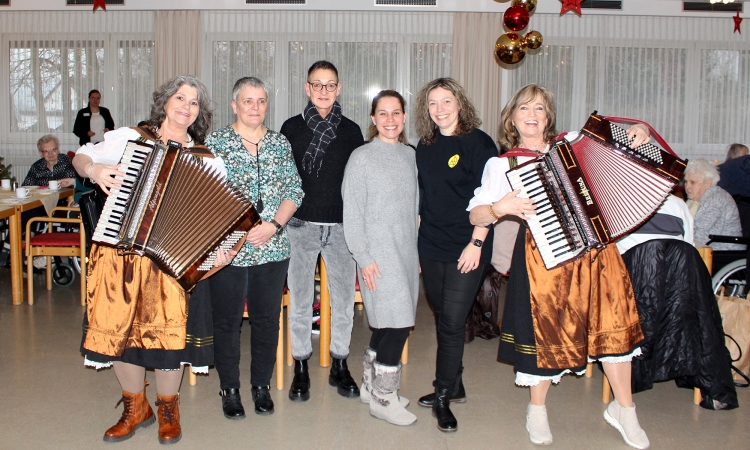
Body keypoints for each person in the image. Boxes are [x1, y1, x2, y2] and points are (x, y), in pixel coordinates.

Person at [468, 83, 652, 449]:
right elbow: (477, 212)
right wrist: (500, 208)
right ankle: (537, 410)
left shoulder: (570, 144)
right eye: (524, 109)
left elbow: (628, 135)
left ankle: (625, 409)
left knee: (612, 323)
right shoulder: (503, 164)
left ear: (548, 116)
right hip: (543, 256)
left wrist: (641, 130)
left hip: (597, 251)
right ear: (512, 118)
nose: (532, 115)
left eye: (539, 109)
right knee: (544, 333)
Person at [73, 75, 229, 445]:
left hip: (171, 264)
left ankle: (167, 408)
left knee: (169, 338)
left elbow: (217, 218)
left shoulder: (207, 159)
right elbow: (82, 157)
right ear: (164, 102)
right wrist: (93, 170)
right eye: (180, 97)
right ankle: (134, 406)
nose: (185, 106)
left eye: (193, 102)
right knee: (119, 335)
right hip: (121, 255)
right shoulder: (131, 138)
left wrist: (222, 248)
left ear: (199, 113)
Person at [206, 76, 304, 420]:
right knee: (228, 322)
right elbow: (204, 196)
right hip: (229, 250)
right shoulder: (215, 142)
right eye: (248, 101)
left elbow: (294, 190)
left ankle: (260, 386)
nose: (255, 108)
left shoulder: (279, 142)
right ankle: (229, 389)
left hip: (272, 248)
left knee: (266, 320)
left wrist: (274, 225)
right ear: (234, 105)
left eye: (261, 101)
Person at [413, 77, 497, 432]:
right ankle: (455, 382)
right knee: (443, 315)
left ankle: (443, 395)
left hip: (468, 244)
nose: (440, 109)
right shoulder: (424, 145)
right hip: (431, 243)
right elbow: (423, 198)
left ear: (459, 103)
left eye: (446, 101)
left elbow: (491, 199)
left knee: (451, 322)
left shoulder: (480, 144)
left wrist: (477, 244)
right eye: (433, 103)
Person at [279, 60, 364, 402]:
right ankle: (301, 365)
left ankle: (340, 363)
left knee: (343, 300)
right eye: (318, 85)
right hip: (300, 226)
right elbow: (285, 179)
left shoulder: (352, 130)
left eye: (330, 85)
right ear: (307, 88)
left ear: (339, 88)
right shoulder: (291, 128)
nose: (324, 91)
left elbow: (357, 183)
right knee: (300, 299)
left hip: (341, 226)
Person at [342, 90, 419, 426]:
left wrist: (414, 252)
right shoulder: (361, 157)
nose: (390, 119)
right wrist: (363, 257)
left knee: (388, 322)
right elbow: (352, 212)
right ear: (373, 119)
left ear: (404, 117)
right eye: (383, 113)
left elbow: (413, 208)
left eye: (396, 113)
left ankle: (370, 386)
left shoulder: (409, 155)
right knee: (397, 324)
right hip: (376, 255)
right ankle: (384, 399)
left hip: (404, 253)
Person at [685, 159, 744, 252]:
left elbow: (701, 238)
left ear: (708, 183)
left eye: (693, 182)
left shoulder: (716, 200)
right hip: (705, 250)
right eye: (686, 181)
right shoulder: (693, 200)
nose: (687, 186)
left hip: (723, 253)